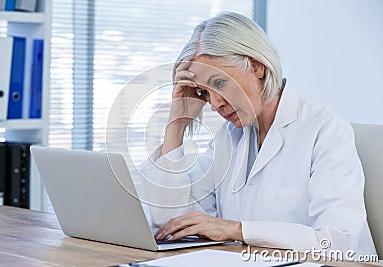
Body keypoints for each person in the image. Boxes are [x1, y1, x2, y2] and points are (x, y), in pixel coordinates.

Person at [139, 11, 376, 256]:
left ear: (257, 66)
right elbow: (171, 222)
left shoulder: (325, 131)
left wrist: (237, 230)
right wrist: (177, 125)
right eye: (205, 93)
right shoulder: (228, 138)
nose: (215, 103)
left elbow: (337, 242)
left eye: (219, 83)